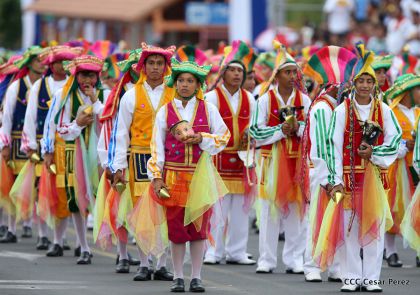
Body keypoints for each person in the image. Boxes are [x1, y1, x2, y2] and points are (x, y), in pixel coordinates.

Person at [147, 59, 230, 292]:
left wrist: (202, 138)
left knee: (198, 229)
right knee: (176, 230)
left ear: (198, 85)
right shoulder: (165, 110)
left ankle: (196, 276)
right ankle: (178, 276)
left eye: (190, 81)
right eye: (181, 80)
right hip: (173, 175)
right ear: (175, 83)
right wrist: (156, 175)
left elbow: (224, 137)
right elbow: (156, 145)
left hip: (200, 176)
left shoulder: (208, 108)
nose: (184, 85)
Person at [325, 43, 401, 292]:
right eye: (361, 81)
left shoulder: (385, 110)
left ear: (375, 84)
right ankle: (350, 278)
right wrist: (334, 178)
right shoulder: (341, 111)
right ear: (354, 84)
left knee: (374, 228)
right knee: (349, 228)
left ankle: (371, 279)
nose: (366, 85)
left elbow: (395, 140)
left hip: (375, 178)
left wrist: (375, 153)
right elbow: (332, 146)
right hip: (347, 178)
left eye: (370, 81)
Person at [108, 43, 176, 280]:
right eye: (151, 64)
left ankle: (162, 264)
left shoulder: (174, 94)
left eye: (160, 64)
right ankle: (144, 264)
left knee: (165, 210)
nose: (156, 68)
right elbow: (120, 134)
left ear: (166, 67)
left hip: (167, 157)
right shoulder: (130, 95)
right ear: (143, 67)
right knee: (140, 211)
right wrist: (118, 166)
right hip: (138, 158)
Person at [249, 41, 311, 274]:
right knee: (268, 212)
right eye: (288, 72)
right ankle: (266, 259)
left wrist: (298, 128)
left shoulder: (304, 101)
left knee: (297, 211)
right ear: (277, 75)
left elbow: (313, 129)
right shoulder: (265, 100)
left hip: (296, 162)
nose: (292, 76)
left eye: (295, 71)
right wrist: (279, 131)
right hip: (271, 163)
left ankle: (294, 258)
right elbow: (255, 131)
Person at [301, 45, 357, 282]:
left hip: (337, 171)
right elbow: (323, 147)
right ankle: (312, 264)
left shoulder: (338, 107)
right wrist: (329, 179)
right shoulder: (323, 108)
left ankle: (334, 265)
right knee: (317, 216)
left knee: (336, 219)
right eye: (346, 86)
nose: (349, 90)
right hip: (323, 171)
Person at [21, 45, 82, 253]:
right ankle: (44, 235)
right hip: (46, 145)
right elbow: (31, 116)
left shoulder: (75, 85)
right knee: (44, 192)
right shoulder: (40, 85)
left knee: (68, 195)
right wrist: (30, 145)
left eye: (66, 62)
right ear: (51, 64)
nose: (62, 66)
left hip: (72, 147)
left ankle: (62, 238)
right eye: (58, 62)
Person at [204, 40, 256, 265]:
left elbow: (254, 126)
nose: (236, 74)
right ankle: (213, 251)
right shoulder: (212, 97)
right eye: (232, 70)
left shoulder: (250, 98)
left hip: (242, 159)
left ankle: (237, 251)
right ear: (223, 73)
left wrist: (251, 138)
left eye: (240, 71)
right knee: (217, 209)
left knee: (241, 210)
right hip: (218, 159)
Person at [54, 55, 110, 264]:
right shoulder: (65, 95)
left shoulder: (106, 94)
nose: (87, 80)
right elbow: (61, 128)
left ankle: (118, 248)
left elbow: (110, 121)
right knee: (76, 199)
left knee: (104, 197)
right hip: (75, 151)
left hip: (100, 153)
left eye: (91, 75)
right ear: (76, 76)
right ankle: (83, 245)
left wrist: (95, 101)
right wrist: (77, 123)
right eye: (83, 75)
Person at [0, 46, 45, 243]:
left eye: (44, 60)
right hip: (17, 142)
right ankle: (11, 228)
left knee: (40, 187)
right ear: (29, 63)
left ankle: (36, 230)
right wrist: (5, 145)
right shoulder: (16, 87)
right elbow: (7, 118)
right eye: (38, 60)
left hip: (41, 143)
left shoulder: (48, 86)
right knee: (13, 187)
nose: (42, 64)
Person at [383, 73, 420, 267]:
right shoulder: (390, 113)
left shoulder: (418, 112)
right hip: (398, 170)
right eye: (417, 89)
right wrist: (406, 145)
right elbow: (386, 143)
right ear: (407, 92)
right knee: (394, 209)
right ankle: (390, 251)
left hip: (416, 168)